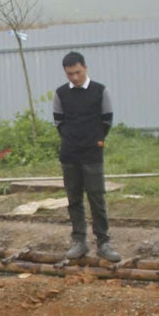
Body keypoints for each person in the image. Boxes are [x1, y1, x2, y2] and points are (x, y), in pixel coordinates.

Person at [51, 51, 120, 263]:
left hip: (92, 154)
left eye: (77, 72)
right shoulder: (61, 94)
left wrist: (96, 140)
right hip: (70, 154)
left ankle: (103, 242)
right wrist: (71, 139)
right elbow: (58, 121)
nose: (74, 77)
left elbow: (107, 119)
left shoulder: (100, 91)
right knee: (74, 199)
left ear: (85, 68)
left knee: (96, 197)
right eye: (70, 74)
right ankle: (79, 241)